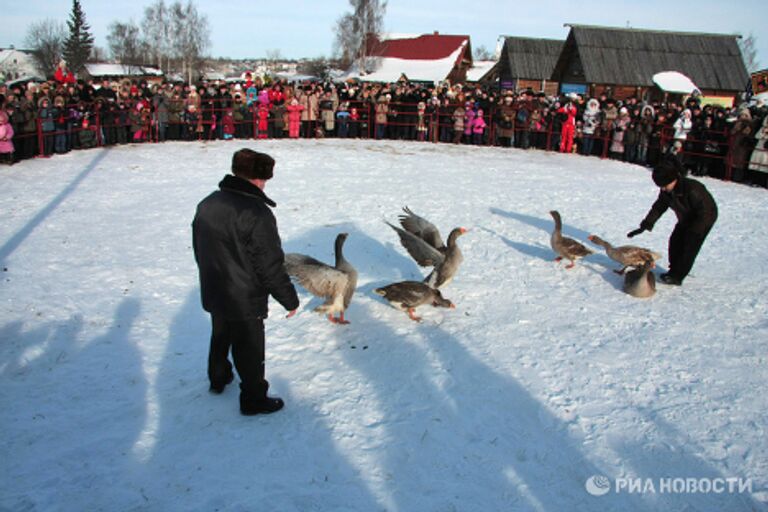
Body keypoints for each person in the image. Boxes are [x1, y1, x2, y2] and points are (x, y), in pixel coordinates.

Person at [192, 149, 299, 415]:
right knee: (249, 346)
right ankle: (253, 398)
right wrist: (289, 298)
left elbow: (199, 246)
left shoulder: (208, 203)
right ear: (259, 178)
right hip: (244, 294)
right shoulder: (256, 213)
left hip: (215, 284)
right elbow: (269, 263)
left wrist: (209, 273)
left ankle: (218, 378)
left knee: (220, 334)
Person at [627, 159, 718, 286]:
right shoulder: (667, 191)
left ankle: (677, 276)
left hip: (704, 218)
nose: (663, 189)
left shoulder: (692, 189)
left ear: (673, 180)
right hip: (685, 217)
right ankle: (673, 270)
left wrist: (696, 231)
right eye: (660, 186)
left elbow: (706, 211)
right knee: (675, 242)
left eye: (664, 185)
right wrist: (646, 224)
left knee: (689, 247)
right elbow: (658, 207)